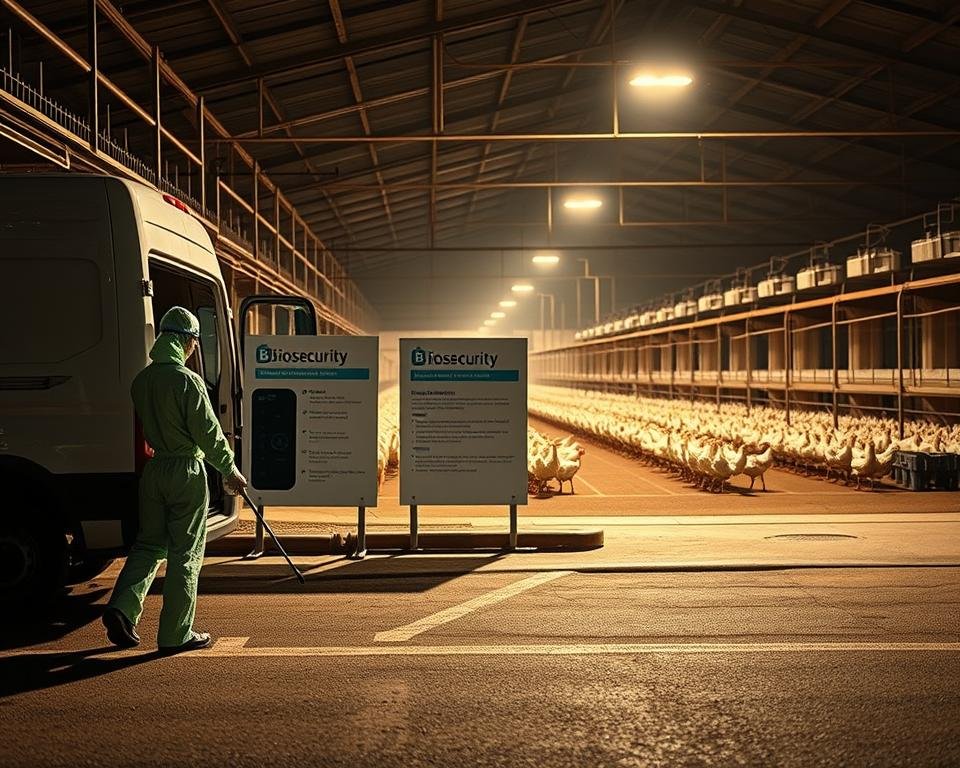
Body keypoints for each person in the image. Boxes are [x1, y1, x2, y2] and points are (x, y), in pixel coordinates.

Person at [102, 306, 247, 653]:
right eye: (195, 340)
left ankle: (122, 607)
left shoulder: (143, 381)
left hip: (154, 472)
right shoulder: (188, 381)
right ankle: (175, 634)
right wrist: (230, 469)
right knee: (186, 553)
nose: (196, 347)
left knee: (149, 545)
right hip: (185, 472)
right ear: (185, 340)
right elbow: (209, 433)